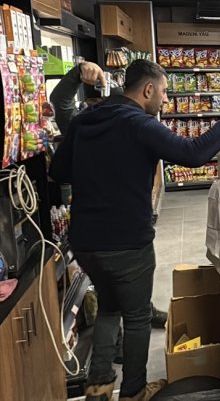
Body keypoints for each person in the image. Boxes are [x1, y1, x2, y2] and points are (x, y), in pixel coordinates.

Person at [50, 59, 220, 401]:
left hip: (86, 243)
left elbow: (58, 169)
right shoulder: (138, 123)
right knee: (138, 315)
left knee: (110, 306)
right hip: (127, 242)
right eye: (164, 91)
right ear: (147, 90)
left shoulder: (86, 120)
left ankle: (98, 386)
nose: (166, 100)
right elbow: (194, 153)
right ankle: (134, 391)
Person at [50, 61, 168, 329]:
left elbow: (60, 170)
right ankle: (136, 325)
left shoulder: (85, 122)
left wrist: (76, 75)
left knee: (112, 301)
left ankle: (110, 358)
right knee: (127, 295)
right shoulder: (113, 122)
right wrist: (77, 74)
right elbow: (61, 101)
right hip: (123, 233)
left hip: (89, 233)